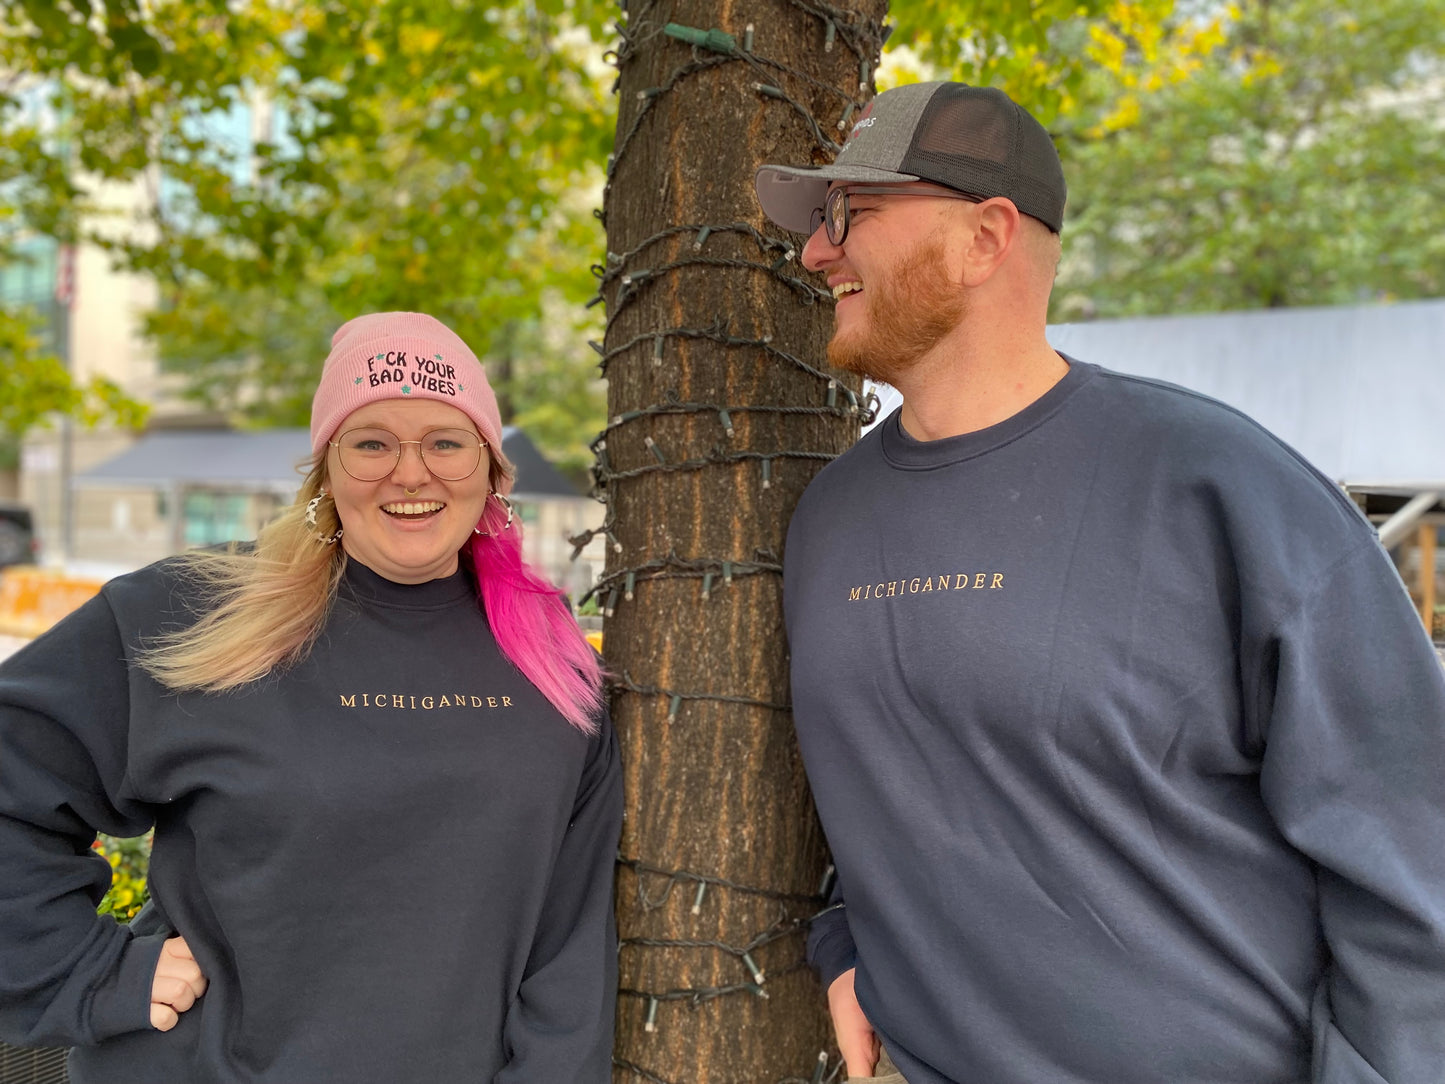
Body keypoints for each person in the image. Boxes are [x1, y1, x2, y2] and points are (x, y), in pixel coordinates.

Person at [755, 81, 1445, 1084]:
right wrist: (849, 940)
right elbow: (900, 783)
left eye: (849, 217)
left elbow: (1409, 847)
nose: (816, 252)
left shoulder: (1219, 486)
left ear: (984, 238)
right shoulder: (826, 521)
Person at [0, 312, 622, 1082]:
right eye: (370, 443)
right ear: (326, 470)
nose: (410, 472)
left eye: (446, 441)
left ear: (492, 469)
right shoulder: (192, 612)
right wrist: (91, 972)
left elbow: (570, 940)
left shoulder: (553, 655)